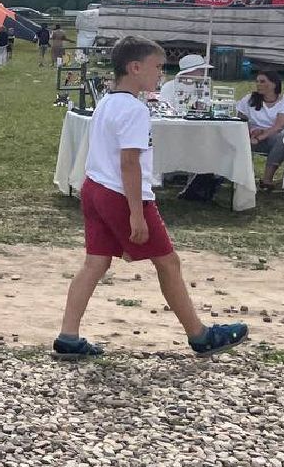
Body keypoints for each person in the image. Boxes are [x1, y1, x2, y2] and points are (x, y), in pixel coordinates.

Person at [55, 37, 248, 357]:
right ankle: (200, 336)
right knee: (169, 263)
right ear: (135, 67)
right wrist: (136, 212)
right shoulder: (134, 109)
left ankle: (68, 336)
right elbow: (130, 163)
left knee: (95, 263)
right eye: (157, 67)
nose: (161, 74)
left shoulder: (107, 101)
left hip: (95, 187)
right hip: (121, 194)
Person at [237, 69, 284, 189]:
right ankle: (244, 177)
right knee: (237, 138)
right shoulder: (249, 99)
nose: (258, 84)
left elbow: (279, 126)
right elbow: (240, 121)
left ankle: (267, 179)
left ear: (274, 84)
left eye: (262, 81)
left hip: (274, 139)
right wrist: (251, 133)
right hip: (252, 137)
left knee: (283, 139)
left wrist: (259, 137)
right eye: (257, 81)